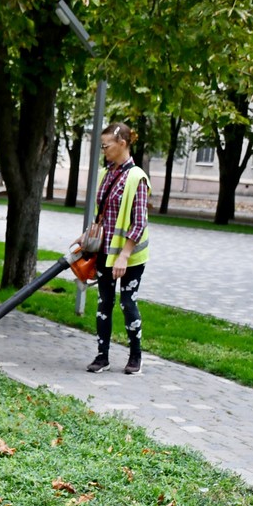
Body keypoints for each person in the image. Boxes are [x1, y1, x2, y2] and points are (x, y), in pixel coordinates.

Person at [78, 121, 151, 375]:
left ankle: (135, 356)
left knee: (127, 303)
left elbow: (139, 221)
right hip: (105, 253)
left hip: (129, 257)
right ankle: (102, 356)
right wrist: (87, 237)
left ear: (122, 143)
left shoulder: (137, 177)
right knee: (103, 303)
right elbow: (102, 214)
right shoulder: (105, 174)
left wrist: (124, 255)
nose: (103, 150)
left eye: (106, 145)